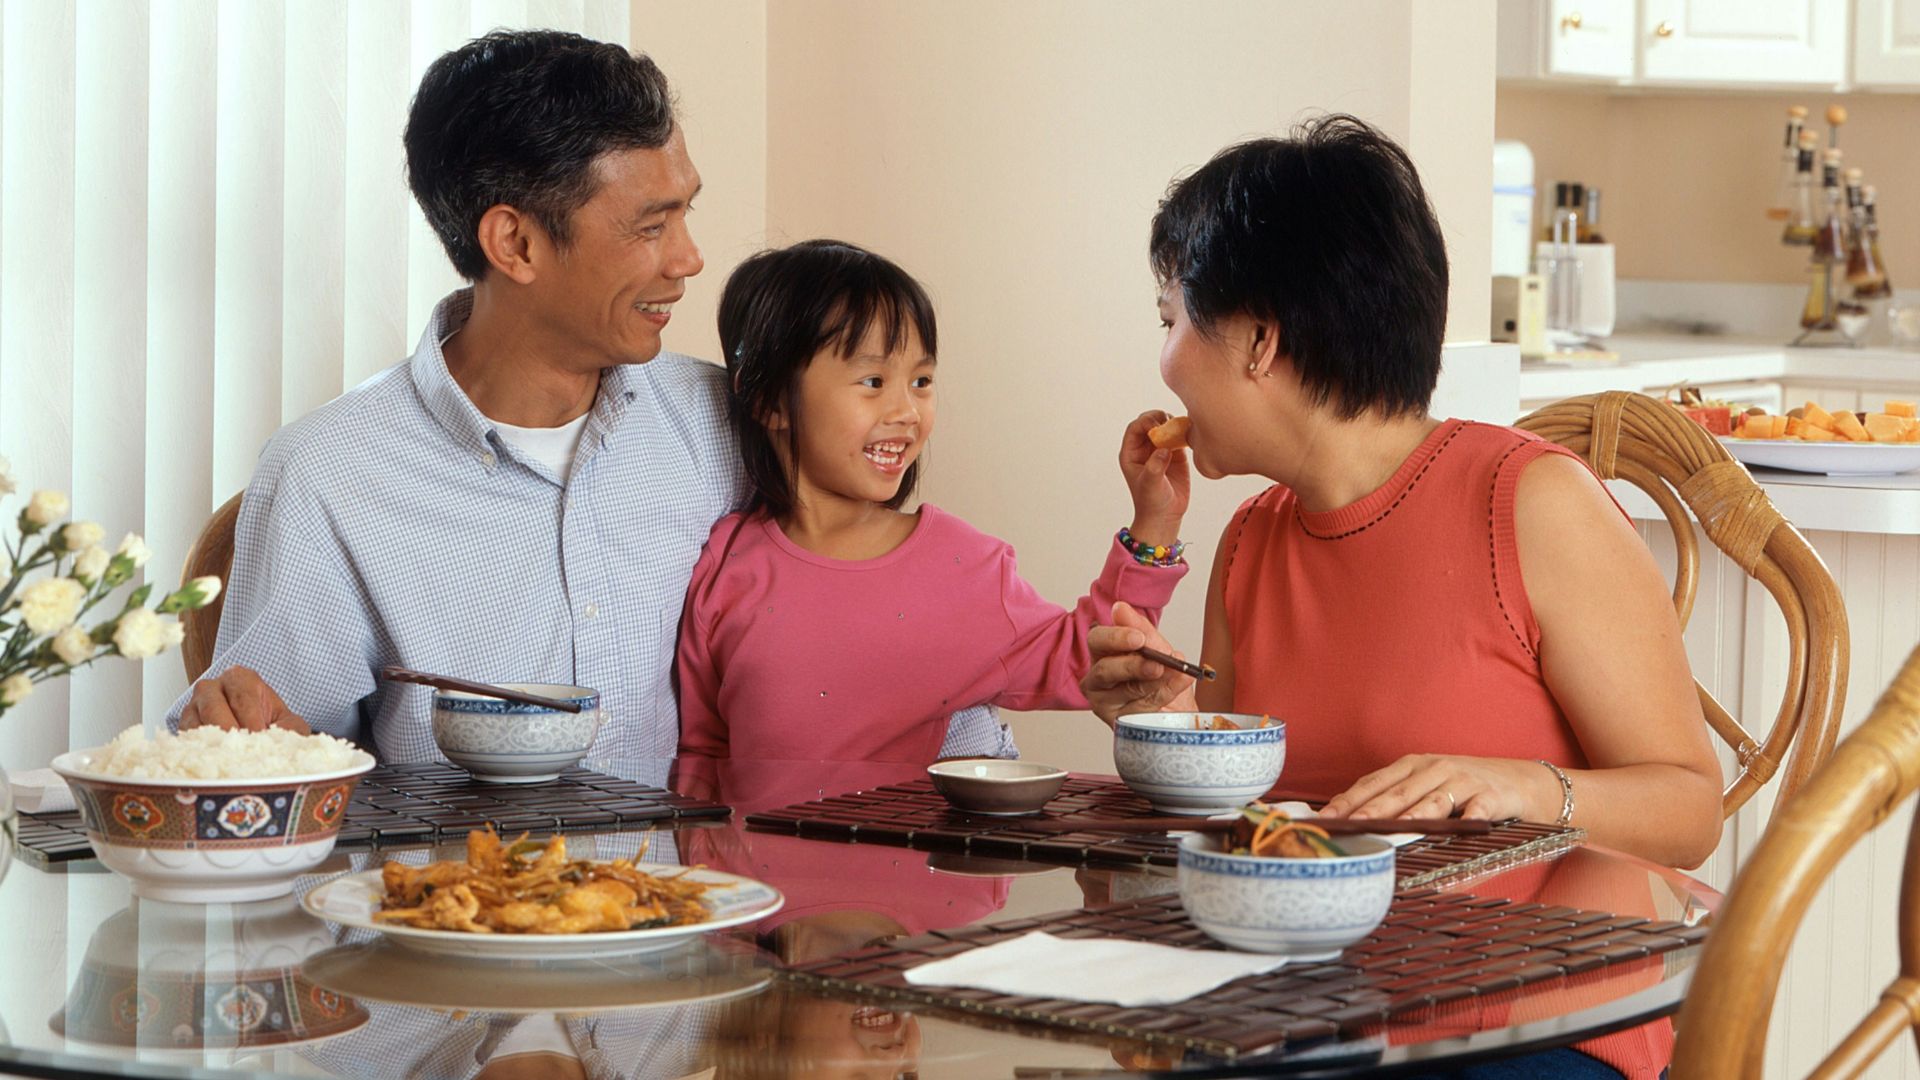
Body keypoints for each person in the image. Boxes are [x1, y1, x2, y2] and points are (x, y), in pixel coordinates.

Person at [1077, 115, 1719, 1080]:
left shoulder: (1532, 502)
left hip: (1541, 1006)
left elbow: (1688, 807)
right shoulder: (1252, 539)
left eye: (1171, 318)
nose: (1164, 360)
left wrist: (1521, 789)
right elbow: (1256, 825)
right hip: (1324, 1005)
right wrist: (1167, 727)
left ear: (1258, 338)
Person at [169, 31, 1005, 765]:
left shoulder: (738, 426)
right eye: (650, 226)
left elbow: (904, 625)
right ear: (517, 242)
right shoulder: (332, 474)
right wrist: (243, 741)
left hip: (733, 931)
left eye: (687, 214)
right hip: (455, 931)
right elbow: (257, 757)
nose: (689, 259)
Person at [673, 240, 1190, 764]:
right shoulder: (725, 562)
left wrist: (1155, 522)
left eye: (921, 381)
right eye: (873, 381)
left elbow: (1091, 655)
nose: (906, 411)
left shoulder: (963, 564)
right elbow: (702, 753)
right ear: (767, 400)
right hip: (744, 850)